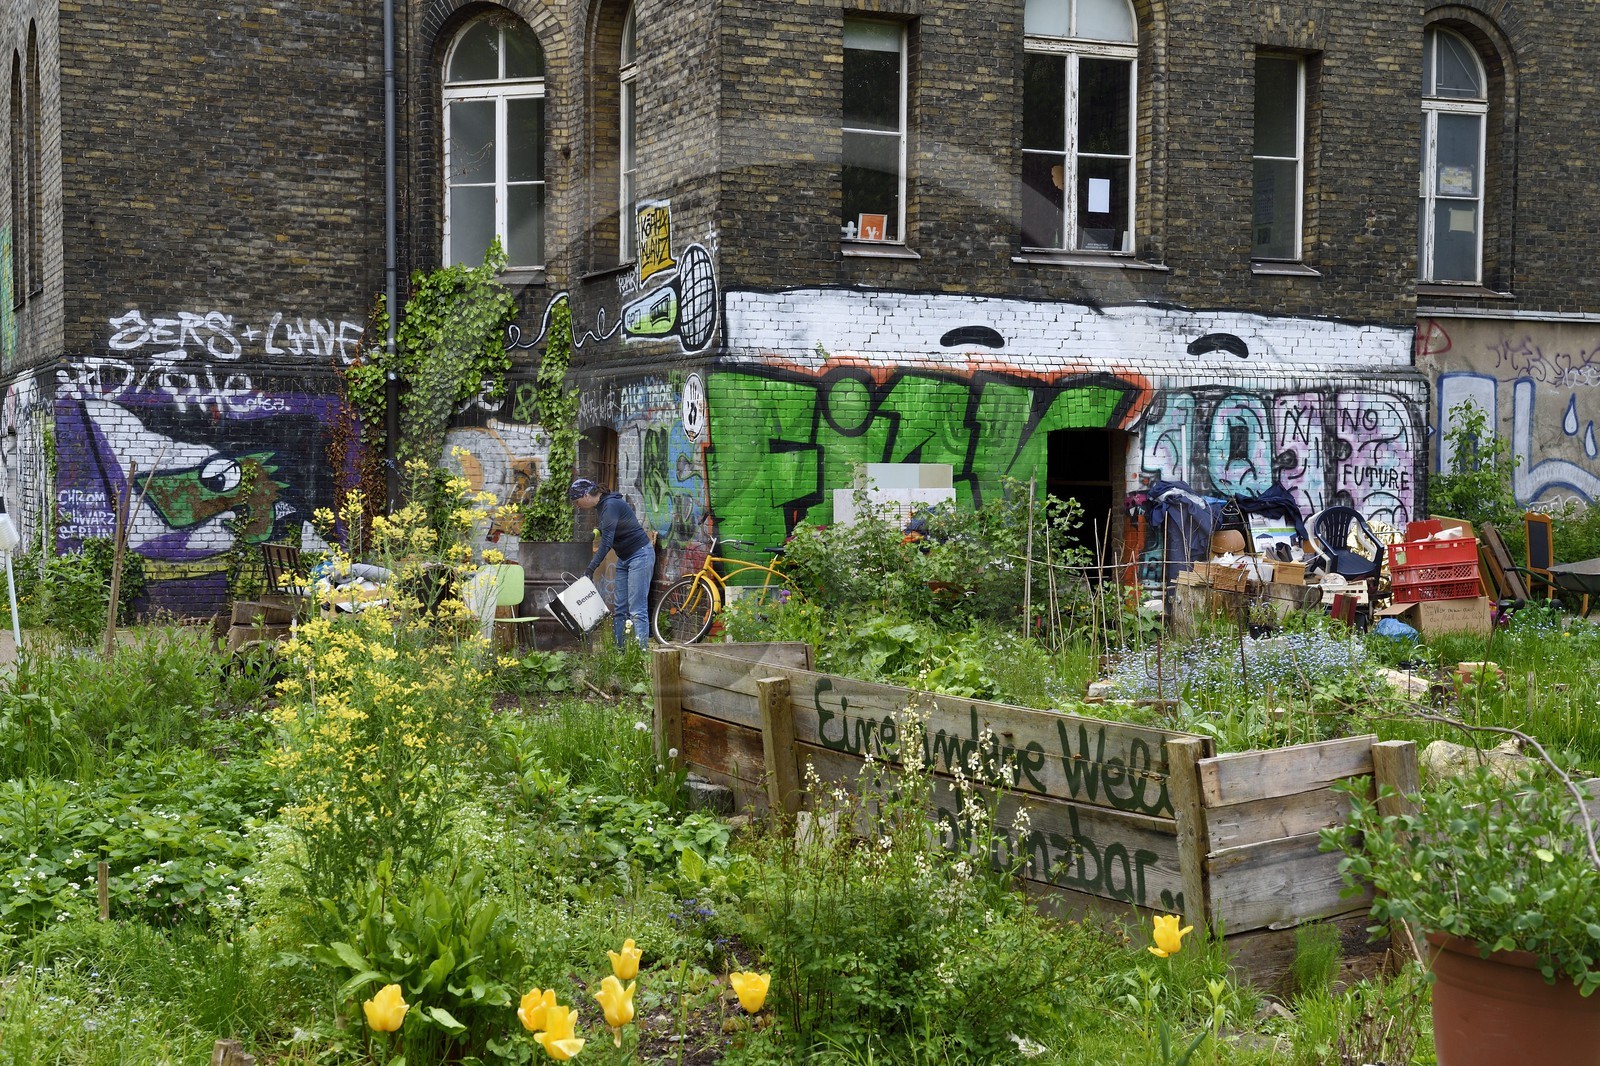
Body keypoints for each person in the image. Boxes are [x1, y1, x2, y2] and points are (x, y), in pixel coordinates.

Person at [569, 477, 654, 651]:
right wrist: (596, 532)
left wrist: (590, 569)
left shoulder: (610, 505)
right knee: (620, 608)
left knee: (637, 609)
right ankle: (619, 652)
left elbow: (607, 543)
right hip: (624, 558)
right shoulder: (603, 506)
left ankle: (640, 654)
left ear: (586, 495)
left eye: (577, 501)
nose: (577, 506)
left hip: (640, 555)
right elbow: (610, 525)